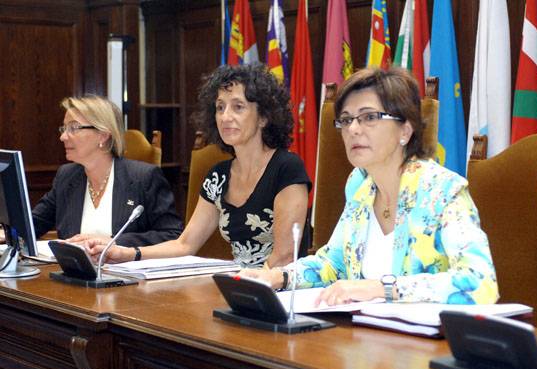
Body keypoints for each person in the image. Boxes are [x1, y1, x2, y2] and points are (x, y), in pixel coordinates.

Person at [242, 67, 499, 305]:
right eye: (346, 119)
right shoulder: (360, 186)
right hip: (364, 338)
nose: (353, 129)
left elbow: (480, 282)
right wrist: (279, 277)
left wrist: (381, 288)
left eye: (369, 117)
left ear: (405, 130)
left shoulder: (442, 190)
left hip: (425, 347)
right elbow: (333, 263)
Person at [86, 64, 311, 268]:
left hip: (280, 293)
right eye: (220, 107)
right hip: (240, 288)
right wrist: (128, 253)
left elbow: (284, 255)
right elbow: (185, 244)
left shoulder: (287, 168)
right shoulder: (218, 177)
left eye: (238, 107)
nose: (225, 117)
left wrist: (246, 289)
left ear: (263, 117)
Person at [32, 95, 183, 246]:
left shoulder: (144, 178)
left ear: (103, 135)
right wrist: (9, 233)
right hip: (75, 268)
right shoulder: (67, 176)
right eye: (64, 128)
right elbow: (33, 224)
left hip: (123, 268)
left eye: (73, 128)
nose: (63, 137)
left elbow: (172, 235)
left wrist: (115, 242)